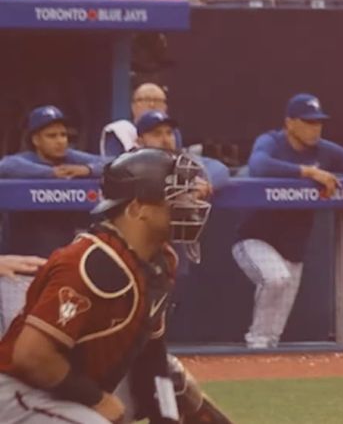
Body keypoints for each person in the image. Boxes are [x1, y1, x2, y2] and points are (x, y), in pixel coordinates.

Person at [0, 148, 231, 424]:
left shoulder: (161, 260)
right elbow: (31, 357)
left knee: (175, 379)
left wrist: (166, 418)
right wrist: (95, 400)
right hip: (20, 393)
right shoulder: (89, 263)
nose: (190, 204)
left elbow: (152, 359)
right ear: (137, 208)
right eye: (176, 197)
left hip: (72, 385)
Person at [232, 94, 343, 350]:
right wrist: (308, 172)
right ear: (290, 123)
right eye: (308, 122)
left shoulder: (322, 150)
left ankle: (262, 354)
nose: (315, 128)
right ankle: (256, 343)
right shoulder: (271, 141)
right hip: (253, 239)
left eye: (318, 122)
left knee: (274, 326)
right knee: (275, 278)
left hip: (293, 247)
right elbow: (258, 165)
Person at [0, 106, 107, 330]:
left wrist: (87, 170)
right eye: (52, 135)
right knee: (17, 331)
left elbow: (115, 163)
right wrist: (50, 174)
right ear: (35, 139)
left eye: (63, 134)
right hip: (22, 269)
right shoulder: (21, 162)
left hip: (65, 269)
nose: (60, 141)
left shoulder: (71, 158)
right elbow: (6, 165)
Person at [100, 82, 174, 156]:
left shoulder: (174, 132)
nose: (152, 104)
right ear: (133, 106)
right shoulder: (120, 130)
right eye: (146, 99)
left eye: (158, 100)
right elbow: (110, 163)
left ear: (165, 107)